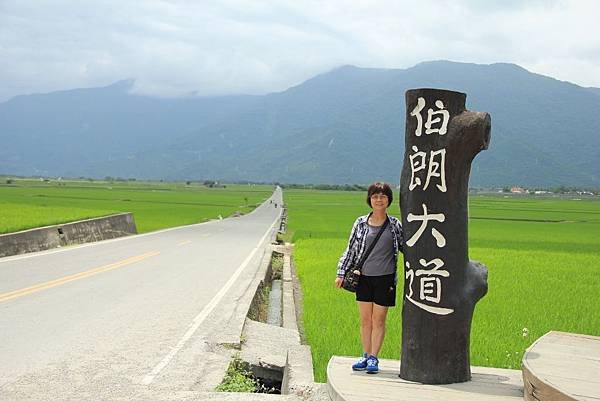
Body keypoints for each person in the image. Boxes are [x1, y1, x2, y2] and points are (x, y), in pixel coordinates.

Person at [335, 182, 404, 374]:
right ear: (370, 199)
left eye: (382, 196)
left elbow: (407, 247)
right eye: (375, 196)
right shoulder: (360, 223)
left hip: (385, 279)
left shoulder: (395, 225)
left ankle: (374, 357)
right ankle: (365, 355)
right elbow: (350, 250)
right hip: (363, 279)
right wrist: (341, 273)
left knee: (379, 319)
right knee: (365, 319)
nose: (379, 199)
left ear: (389, 199)